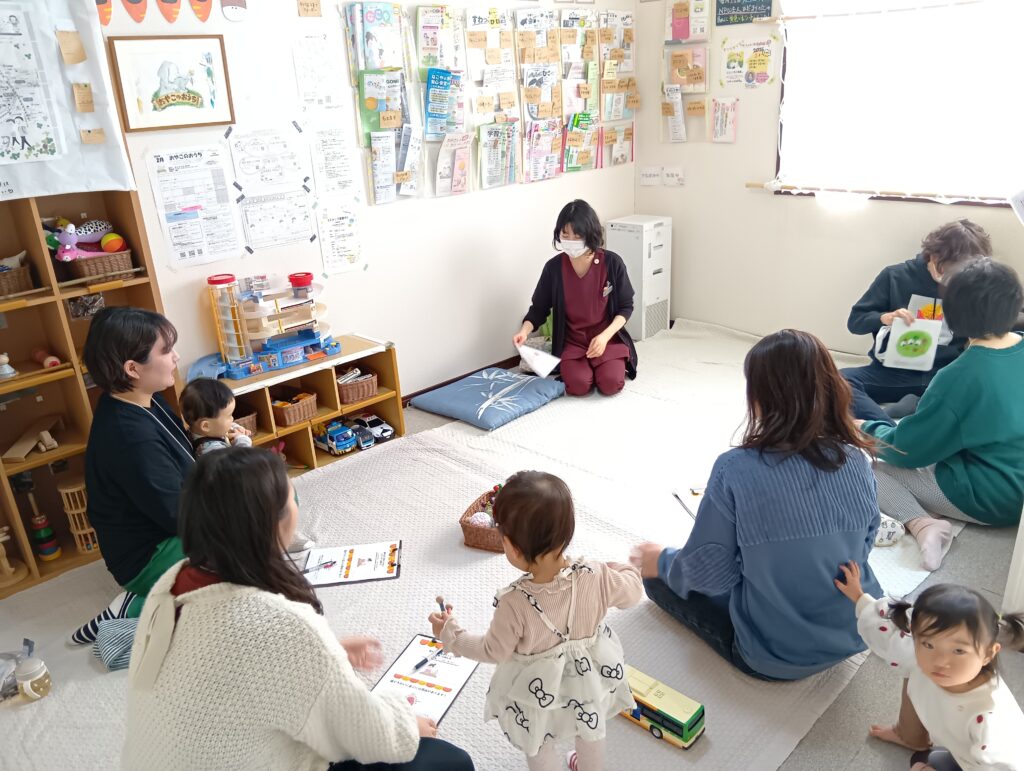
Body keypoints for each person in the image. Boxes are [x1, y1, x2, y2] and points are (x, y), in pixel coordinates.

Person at [124, 447, 475, 771]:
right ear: (271, 523)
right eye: (293, 498)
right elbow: (366, 734)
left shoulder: (169, 585)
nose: (297, 503)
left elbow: (228, 670)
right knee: (449, 761)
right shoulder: (280, 626)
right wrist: (407, 724)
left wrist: (328, 653)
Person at [632, 329, 883, 680]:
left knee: (657, 577)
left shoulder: (735, 467)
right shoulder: (857, 458)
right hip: (861, 627)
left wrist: (660, 559)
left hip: (774, 655)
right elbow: (865, 544)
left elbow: (710, 572)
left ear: (759, 397)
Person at [429, 471, 642, 771]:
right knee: (590, 724)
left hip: (536, 687)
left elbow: (492, 650)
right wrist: (614, 568)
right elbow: (633, 592)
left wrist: (450, 633)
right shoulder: (596, 575)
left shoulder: (514, 603)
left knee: (537, 737)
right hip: (589, 677)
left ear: (513, 549)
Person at [858, 259, 1024, 570]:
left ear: (952, 317)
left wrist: (865, 429)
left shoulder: (958, 377)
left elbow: (906, 451)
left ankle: (923, 525)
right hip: (1015, 480)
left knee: (869, 468)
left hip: (991, 498)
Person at [71, 307, 191, 643]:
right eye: (166, 351)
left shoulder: (143, 399)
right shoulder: (128, 436)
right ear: (132, 368)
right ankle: (134, 608)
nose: (175, 357)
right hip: (148, 556)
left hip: (171, 523)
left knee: (272, 492)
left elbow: (183, 457)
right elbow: (178, 516)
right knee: (252, 527)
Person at [835, 563, 1024, 770]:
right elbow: (887, 631)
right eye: (928, 644)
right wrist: (859, 597)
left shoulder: (989, 721)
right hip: (958, 747)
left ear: (989, 653)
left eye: (959, 651)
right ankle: (909, 735)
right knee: (914, 672)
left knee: (922, 764)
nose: (940, 661)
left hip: (982, 765)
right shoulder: (916, 653)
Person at [842, 219, 991, 423]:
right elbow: (855, 322)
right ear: (932, 255)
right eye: (946, 271)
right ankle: (887, 426)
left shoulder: (972, 284)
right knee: (837, 382)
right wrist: (885, 318)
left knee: (994, 389)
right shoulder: (895, 276)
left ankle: (917, 403)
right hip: (892, 372)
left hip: (944, 374)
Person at [513, 200, 638, 397]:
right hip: (573, 343)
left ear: (591, 235)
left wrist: (605, 337)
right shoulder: (554, 268)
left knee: (610, 384)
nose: (570, 240)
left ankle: (607, 364)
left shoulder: (612, 263)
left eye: (577, 235)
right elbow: (539, 308)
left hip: (607, 338)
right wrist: (524, 331)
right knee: (578, 386)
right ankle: (583, 368)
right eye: (565, 235)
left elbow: (626, 306)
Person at [179, 376, 253, 456]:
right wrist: (242, 439)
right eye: (229, 416)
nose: (232, 419)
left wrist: (236, 428)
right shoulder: (211, 450)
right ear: (206, 426)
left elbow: (221, 426)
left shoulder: (201, 430)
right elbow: (242, 461)